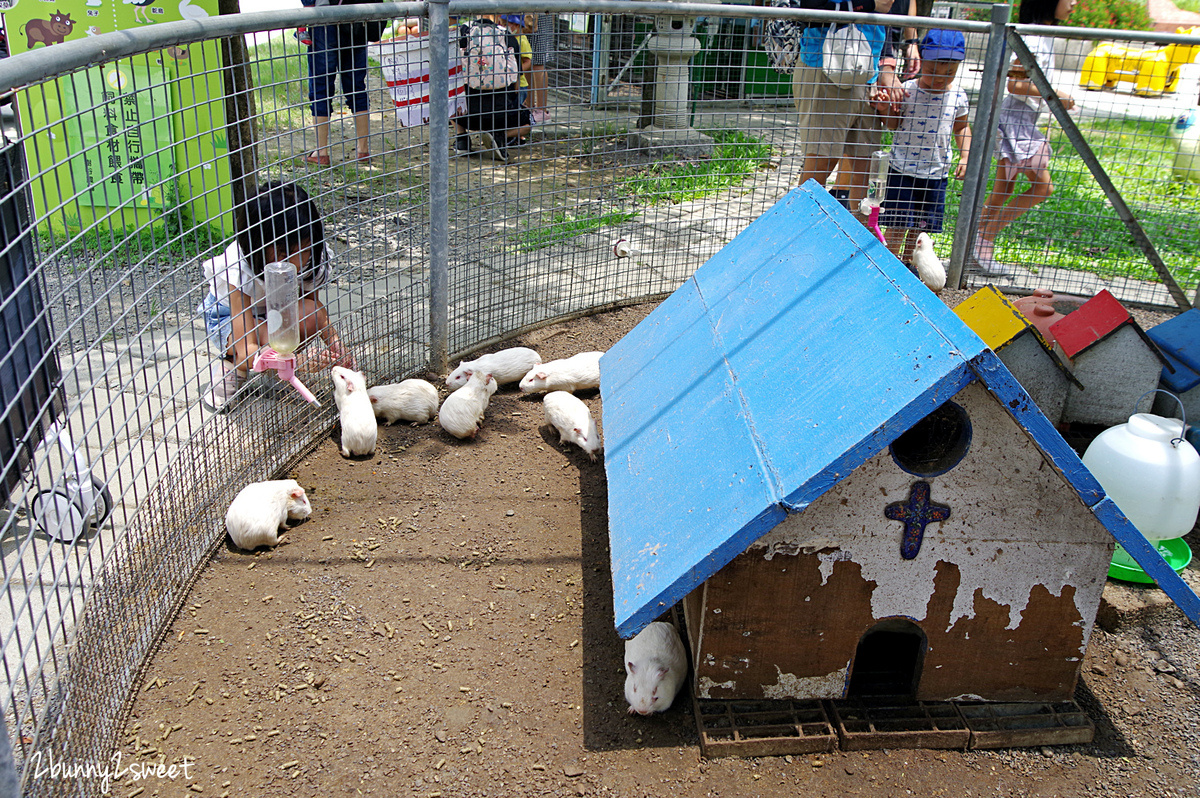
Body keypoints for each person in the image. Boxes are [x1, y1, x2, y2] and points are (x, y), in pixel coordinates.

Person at [200, 181, 355, 412]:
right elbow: (246, 344)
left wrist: (336, 345)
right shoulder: (238, 266)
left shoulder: (313, 258)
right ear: (256, 245)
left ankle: (278, 363)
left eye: (302, 250)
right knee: (246, 353)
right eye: (284, 253)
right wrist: (299, 363)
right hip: (231, 319)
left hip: (277, 311)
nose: (295, 262)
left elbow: (312, 307)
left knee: (310, 314)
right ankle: (235, 368)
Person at [973, 0, 1077, 276]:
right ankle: (984, 238)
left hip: (1020, 117)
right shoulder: (1032, 37)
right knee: (1043, 187)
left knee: (1003, 189)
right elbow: (1014, 82)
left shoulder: (1042, 35)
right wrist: (1055, 95)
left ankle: (975, 242)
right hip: (1016, 117)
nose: (1074, 3)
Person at [792, 0, 903, 219]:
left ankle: (859, 242)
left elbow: (886, 13)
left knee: (868, 169)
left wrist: (887, 66)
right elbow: (807, 9)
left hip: (868, 72)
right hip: (825, 68)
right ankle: (795, 237)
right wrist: (868, 4)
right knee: (820, 165)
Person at [877, 29, 972, 266]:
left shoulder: (958, 96)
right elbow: (894, 124)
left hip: (935, 174)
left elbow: (961, 128)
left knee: (920, 231)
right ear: (922, 60)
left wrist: (966, 157)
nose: (939, 78)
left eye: (948, 73)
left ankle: (909, 267)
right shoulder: (907, 90)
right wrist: (884, 109)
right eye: (931, 72)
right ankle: (887, 264)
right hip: (902, 171)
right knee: (898, 224)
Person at [303, 0, 372, 166]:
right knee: (356, 86)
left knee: (321, 87)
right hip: (354, 15)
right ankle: (363, 150)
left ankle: (322, 152)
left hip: (323, 19)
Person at [455, 13, 531, 162]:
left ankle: (461, 138)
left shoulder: (462, 34)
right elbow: (516, 82)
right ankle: (500, 136)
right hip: (502, 115)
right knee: (527, 124)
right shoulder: (507, 36)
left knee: (449, 93)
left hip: (466, 114)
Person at [501, 14, 534, 118]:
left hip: (520, 84)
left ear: (516, 25)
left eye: (507, 24)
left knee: (515, 110)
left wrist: (516, 72)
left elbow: (528, 61)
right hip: (510, 81)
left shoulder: (522, 41)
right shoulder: (509, 38)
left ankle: (517, 131)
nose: (504, 27)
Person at [528, 12, 556, 123]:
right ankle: (529, 105)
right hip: (527, 14)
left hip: (538, 16)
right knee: (526, 61)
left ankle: (542, 110)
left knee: (538, 63)